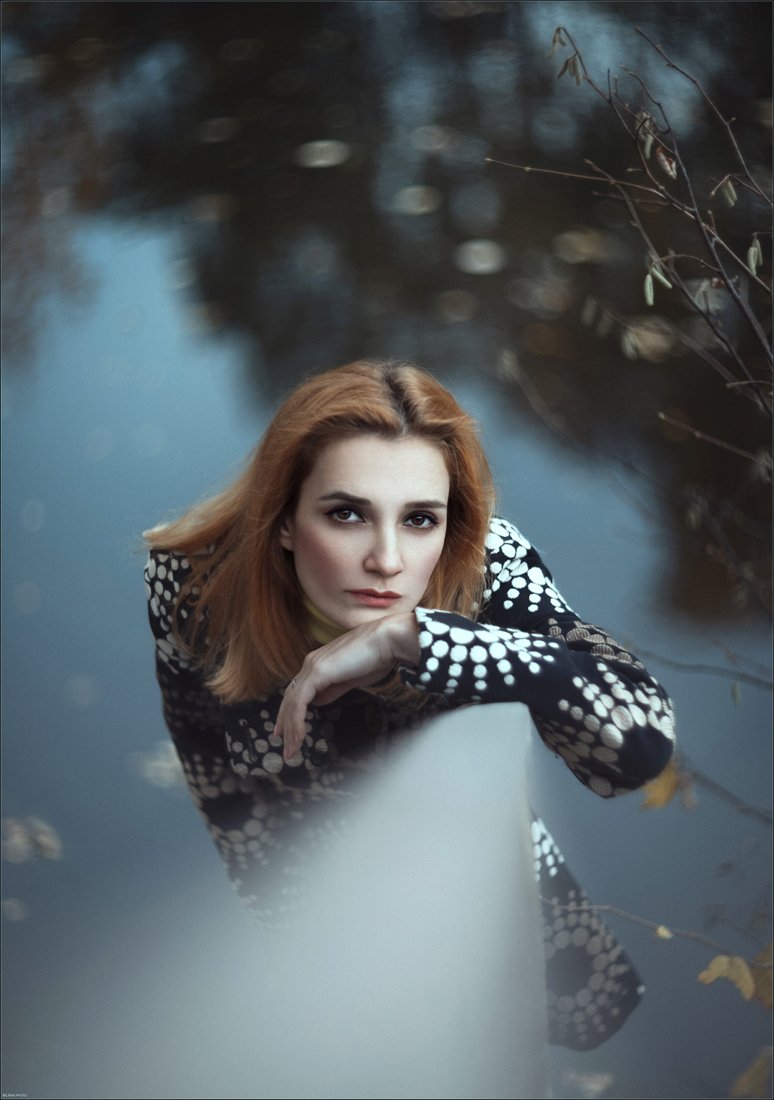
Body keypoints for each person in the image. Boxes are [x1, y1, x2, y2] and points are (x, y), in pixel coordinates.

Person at [144, 359, 675, 1050]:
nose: (388, 560)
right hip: (324, 910)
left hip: (485, 892)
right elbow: (211, 768)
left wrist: (420, 639)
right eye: (346, 514)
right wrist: (283, 923)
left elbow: (639, 745)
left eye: (420, 519)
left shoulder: (488, 567)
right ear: (283, 519)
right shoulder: (194, 584)